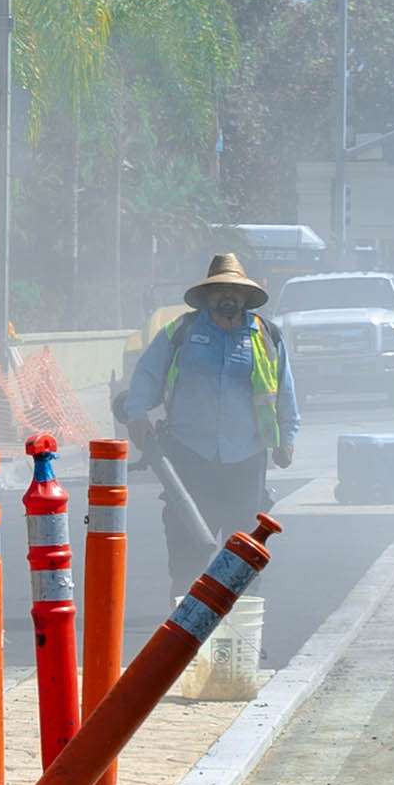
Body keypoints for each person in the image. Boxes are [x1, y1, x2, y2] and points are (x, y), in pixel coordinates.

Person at [119, 250, 297, 591]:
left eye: (235, 291)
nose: (228, 296)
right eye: (220, 290)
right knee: (186, 545)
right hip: (189, 456)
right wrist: (136, 415)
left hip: (246, 459)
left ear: (245, 297)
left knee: (242, 551)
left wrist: (287, 438)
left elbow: (285, 389)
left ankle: (241, 634)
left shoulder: (266, 336)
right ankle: (185, 631)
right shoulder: (181, 331)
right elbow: (146, 375)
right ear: (206, 296)